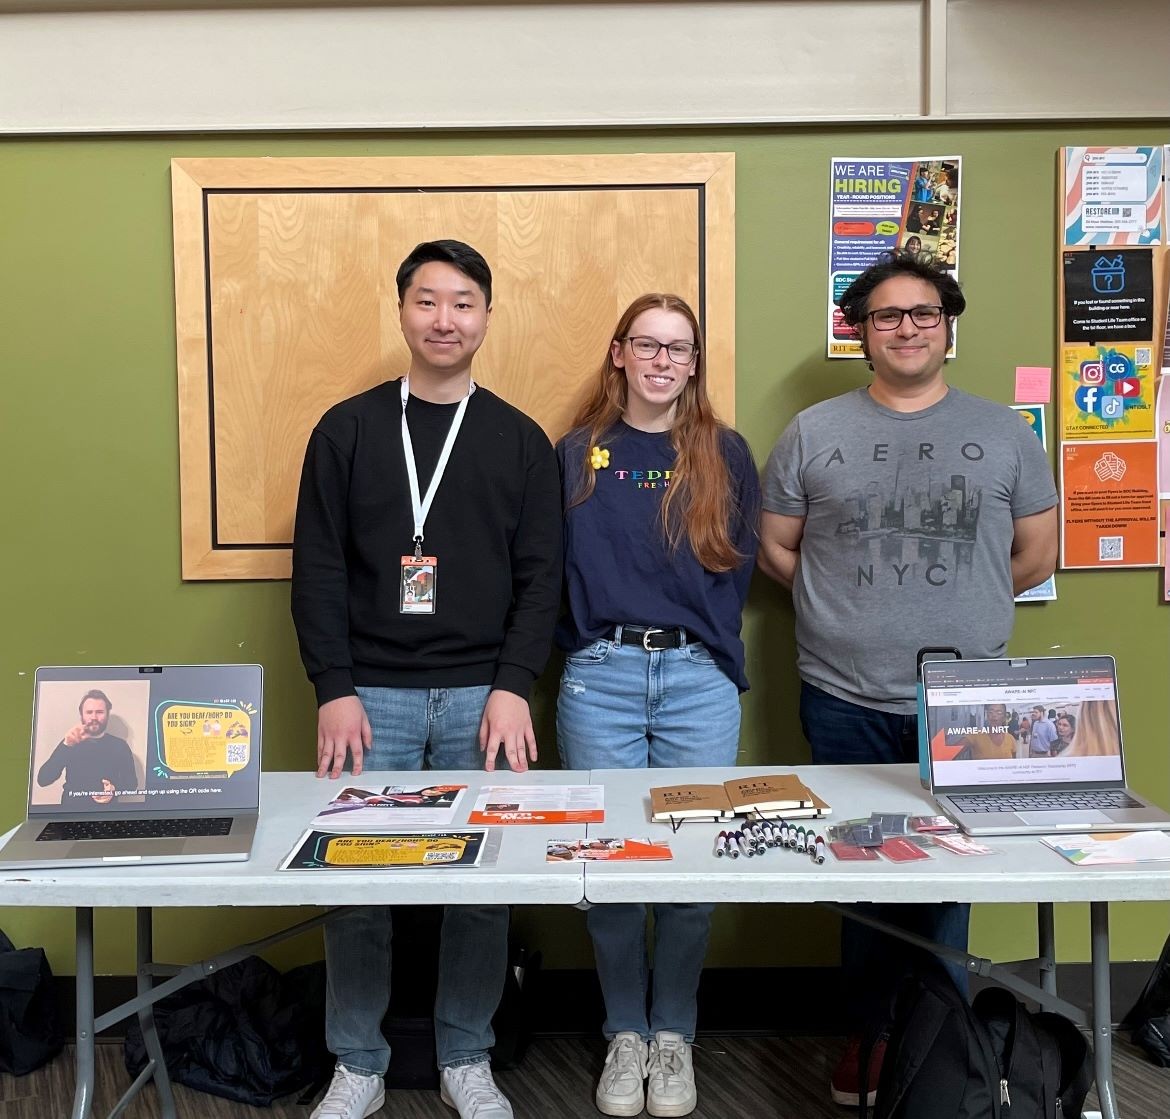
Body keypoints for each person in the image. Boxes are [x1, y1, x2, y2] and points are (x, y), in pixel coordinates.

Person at [757, 251, 1058, 1108]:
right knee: (861, 878)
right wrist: (838, 606)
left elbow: (1038, 552)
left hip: (967, 703)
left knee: (946, 881)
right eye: (886, 315)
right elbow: (780, 545)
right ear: (859, 331)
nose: (906, 328)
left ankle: (943, 1042)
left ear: (947, 325)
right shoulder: (814, 432)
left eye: (923, 313)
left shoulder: (1005, 432)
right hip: (843, 693)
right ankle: (873, 1037)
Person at [291, 239, 562, 1119]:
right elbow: (320, 568)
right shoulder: (349, 428)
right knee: (355, 882)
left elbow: (541, 576)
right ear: (402, 310)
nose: (445, 319)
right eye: (427, 301)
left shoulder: (520, 440)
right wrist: (334, 685)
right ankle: (358, 1062)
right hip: (371, 695)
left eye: (463, 303)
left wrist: (515, 682)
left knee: (482, 881)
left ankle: (466, 1053)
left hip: (486, 696)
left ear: (486, 316)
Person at [556, 292, 760, 1118]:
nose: (663, 360)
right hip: (599, 675)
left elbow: (737, 568)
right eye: (648, 344)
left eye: (680, 348)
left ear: (694, 363)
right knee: (609, 866)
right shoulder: (575, 453)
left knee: (689, 865)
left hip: (696, 682)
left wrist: (701, 646)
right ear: (619, 353)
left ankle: (673, 1033)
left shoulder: (725, 451)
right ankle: (624, 1033)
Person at [36, 689, 138, 805]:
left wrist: (114, 789)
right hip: (71, 813)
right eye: (89, 712)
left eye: (99, 712)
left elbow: (131, 784)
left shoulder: (120, 746)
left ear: (107, 714)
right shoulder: (70, 742)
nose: (94, 717)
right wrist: (66, 746)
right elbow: (43, 780)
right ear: (82, 715)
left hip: (108, 814)